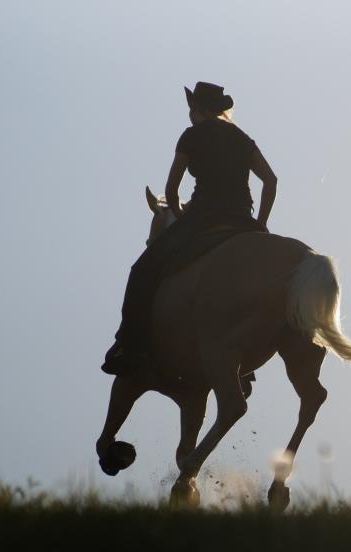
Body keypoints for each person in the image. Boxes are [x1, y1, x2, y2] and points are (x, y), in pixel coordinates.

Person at [102, 81, 278, 377]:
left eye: (191, 109)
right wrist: (260, 224)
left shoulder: (191, 136)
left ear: (197, 109)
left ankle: (128, 345)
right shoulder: (242, 138)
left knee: (141, 271)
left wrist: (182, 217)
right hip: (243, 220)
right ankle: (244, 371)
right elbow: (271, 182)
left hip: (203, 217)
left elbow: (171, 191)